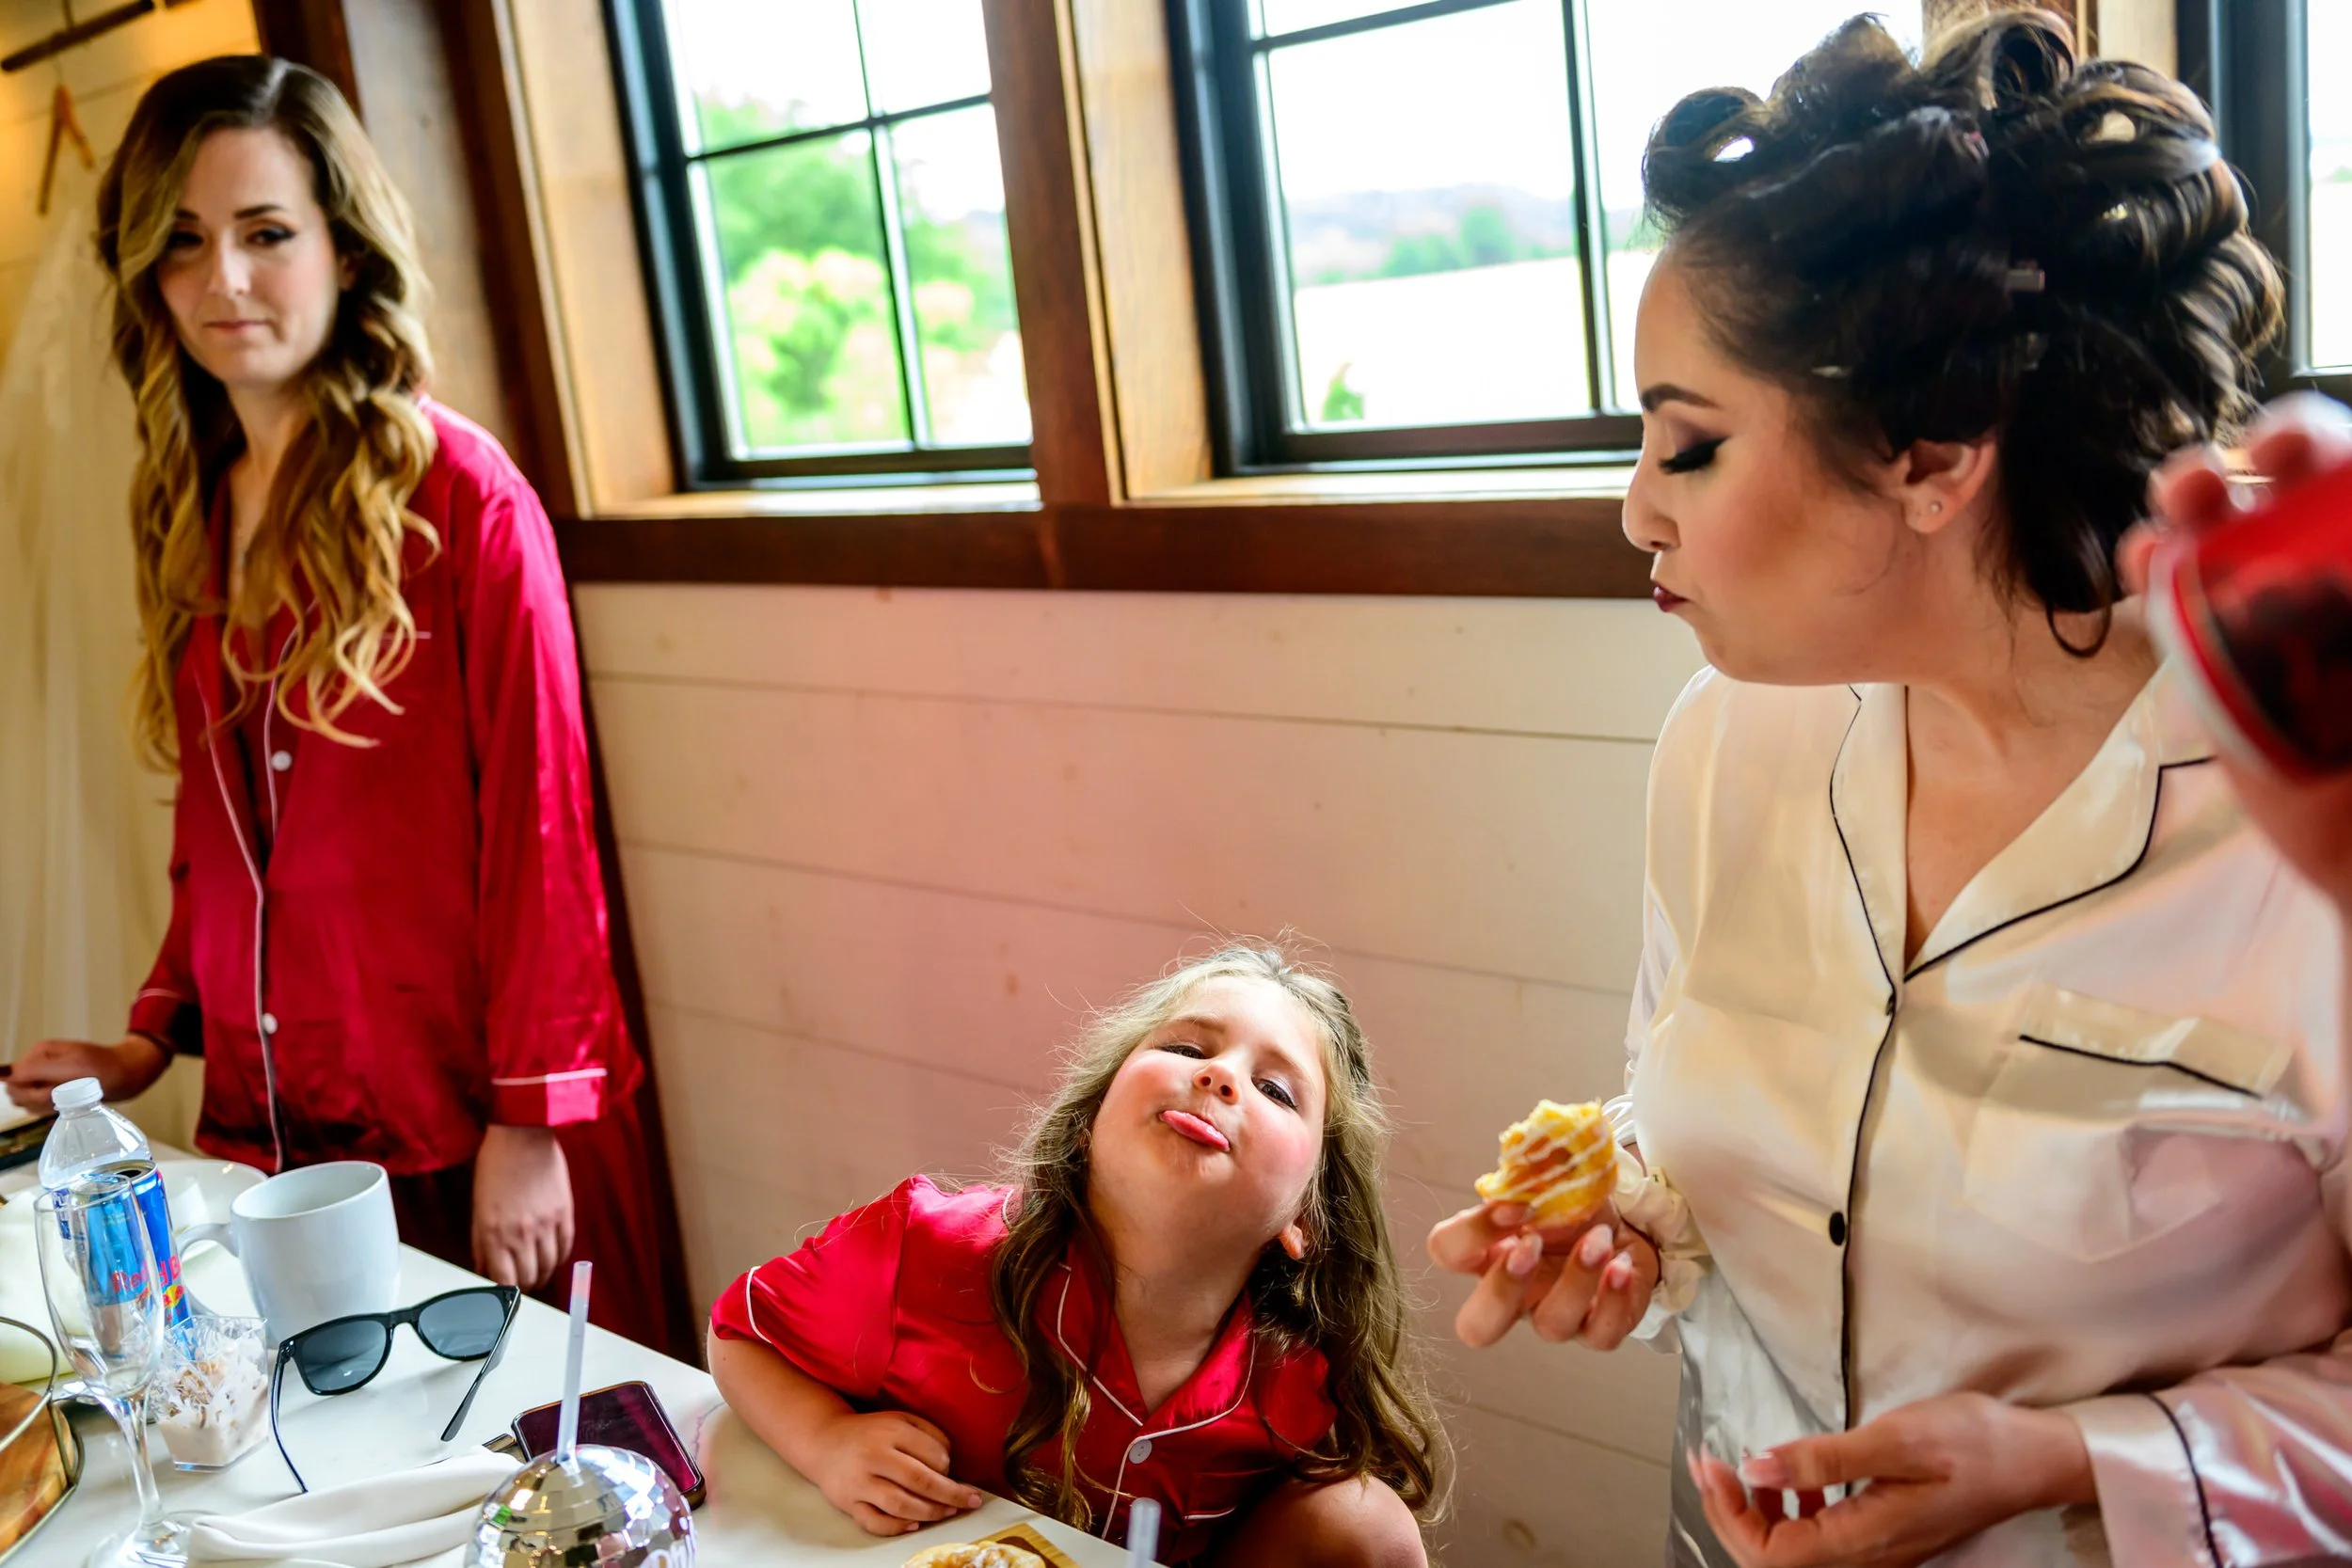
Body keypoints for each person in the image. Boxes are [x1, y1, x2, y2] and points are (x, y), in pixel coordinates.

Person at [1426, 14, 2347, 1566]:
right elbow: (1686, 1111)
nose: (1635, 507)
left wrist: (2065, 1458)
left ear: (1931, 457)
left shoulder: (2296, 831)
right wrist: (1635, 1217)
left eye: (1688, 444)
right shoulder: (1728, 743)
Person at [0, 55, 679, 1350]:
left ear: (345, 248)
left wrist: (529, 1123)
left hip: (461, 1127)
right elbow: (218, 828)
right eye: (184, 243)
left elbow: (545, 836)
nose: (225, 282)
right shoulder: (193, 508)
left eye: (267, 234)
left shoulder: (463, 498)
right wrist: (151, 1037)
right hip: (278, 1131)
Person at [708, 945, 1443, 1566]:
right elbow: (738, 1332)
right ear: (1090, 1121)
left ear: (1307, 1217)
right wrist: (826, 1442)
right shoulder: (926, 1246)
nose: (1220, 1076)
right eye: (1188, 1048)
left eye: (1276, 1088)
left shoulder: (1299, 1383)